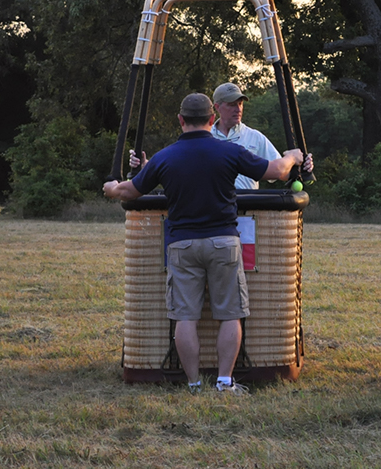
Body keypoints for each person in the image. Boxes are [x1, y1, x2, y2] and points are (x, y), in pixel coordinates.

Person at [104, 93, 304, 395]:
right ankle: (225, 382)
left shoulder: (165, 157)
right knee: (230, 313)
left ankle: (194, 384)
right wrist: (293, 157)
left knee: (185, 316)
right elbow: (276, 172)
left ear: (181, 120)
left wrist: (110, 189)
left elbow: (130, 191)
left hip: (182, 245)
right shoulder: (229, 152)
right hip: (224, 242)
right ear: (212, 120)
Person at [130, 81, 312, 188]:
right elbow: (177, 170)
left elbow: (282, 173)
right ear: (217, 108)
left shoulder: (255, 137)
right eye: (232, 104)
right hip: (213, 211)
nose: (238, 109)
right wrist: (145, 166)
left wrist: (303, 166)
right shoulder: (200, 138)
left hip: (249, 216)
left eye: (240, 104)